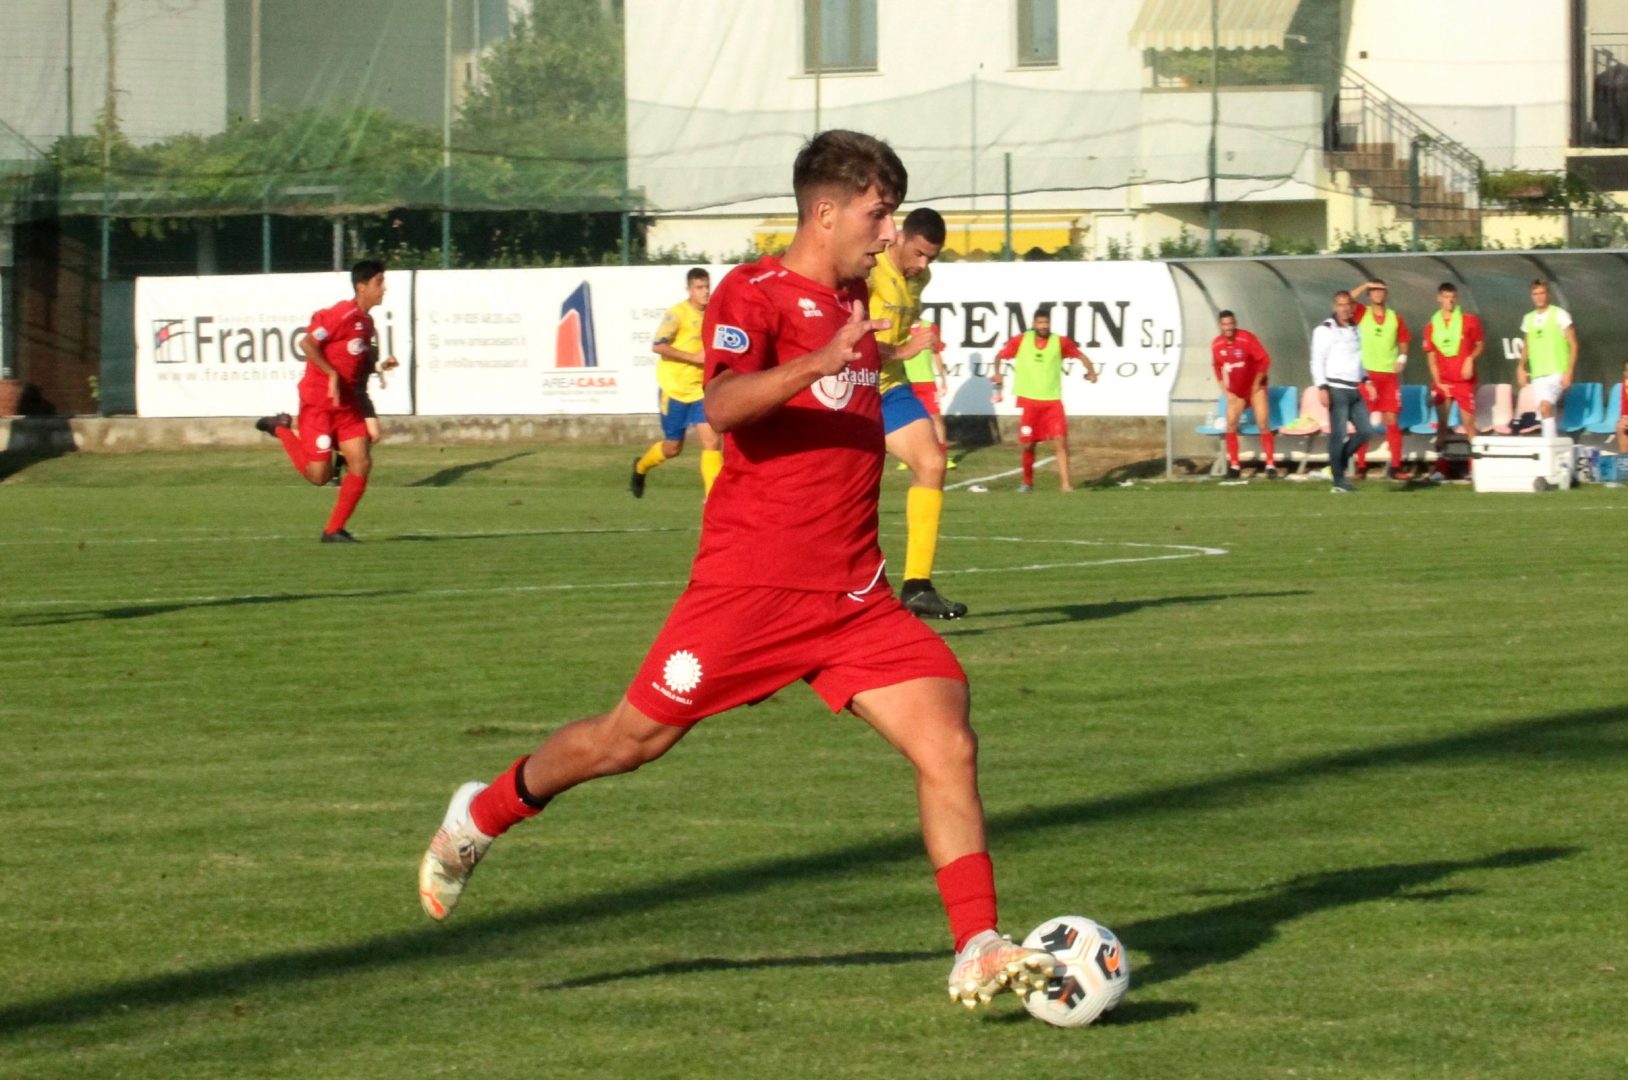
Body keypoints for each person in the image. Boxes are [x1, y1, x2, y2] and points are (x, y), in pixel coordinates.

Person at [416, 130, 1055, 1011]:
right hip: (749, 589)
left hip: (852, 596)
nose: (889, 233)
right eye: (878, 214)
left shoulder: (863, 296)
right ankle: (480, 815)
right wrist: (818, 362)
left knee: (947, 737)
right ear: (825, 211)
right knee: (627, 743)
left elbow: (856, 397)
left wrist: (885, 379)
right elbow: (720, 405)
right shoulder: (751, 292)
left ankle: (976, 944)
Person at [867, 207, 965, 619]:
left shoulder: (919, 278)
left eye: (932, 257)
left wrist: (904, 350)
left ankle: (917, 586)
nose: (924, 265)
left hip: (889, 388)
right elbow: (847, 339)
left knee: (932, 463)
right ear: (901, 238)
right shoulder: (869, 270)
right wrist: (903, 349)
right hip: (848, 391)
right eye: (919, 253)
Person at [254, 259, 391, 542]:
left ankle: (333, 530)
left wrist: (379, 366)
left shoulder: (367, 324)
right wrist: (330, 373)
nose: (384, 288)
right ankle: (280, 428)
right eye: (379, 282)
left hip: (347, 406)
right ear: (361, 286)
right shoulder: (340, 314)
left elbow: (358, 365)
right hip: (319, 404)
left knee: (361, 462)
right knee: (319, 477)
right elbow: (307, 343)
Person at [631, 268, 724, 499]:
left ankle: (712, 500)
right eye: (699, 288)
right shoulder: (677, 314)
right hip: (674, 389)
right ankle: (640, 467)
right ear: (689, 290)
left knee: (712, 442)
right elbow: (658, 345)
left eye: (707, 286)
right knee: (673, 448)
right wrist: (693, 358)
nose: (705, 292)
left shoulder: (714, 313)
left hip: (700, 391)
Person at [990, 307, 1099, 492]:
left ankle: (1066, 485)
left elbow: (1081, 356)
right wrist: (998, 374)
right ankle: (1027, 482)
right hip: (1030, 402)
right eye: (1040, 323)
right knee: (1028, 445)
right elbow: (1000, 356)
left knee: (1060, 441)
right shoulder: (1021, 340)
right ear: (1034, 324)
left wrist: (1091, 372)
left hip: (1052, 402)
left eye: (1046, 322)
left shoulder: (1059, 342)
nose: (1043, 326)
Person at [1310, 290, 1373, 494]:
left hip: (1354, 387)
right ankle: (1338, 482)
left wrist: (1366, 379)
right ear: (1334, 306)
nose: (1345, 309)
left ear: (1352, 306)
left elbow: (1358, 359)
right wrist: (1322, 387)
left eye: (1348, 305)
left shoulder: (1355, 329)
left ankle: (1337, 463)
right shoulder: (1325, 330)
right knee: (1338, 434)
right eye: (1340, 305)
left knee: (1365, 431)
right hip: (1336, 387)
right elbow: (1317, 360)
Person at [1349, 279, 1412, 479]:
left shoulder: (1395, 317)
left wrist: (1402, 358)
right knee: (1363, 420)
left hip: (1388, 376)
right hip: (1367, 375)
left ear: (1386, 294)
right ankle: (1361, 466)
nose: (1378, 294)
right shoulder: (1362, 313)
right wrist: (1364, 285)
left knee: (1391, 419)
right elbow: (1346, 300)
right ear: (1369, 295)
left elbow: (1404, 340)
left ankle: (1396, 467)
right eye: (1374, 290)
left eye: (1381, 290)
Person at [1422, 283, 1484, 482]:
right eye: (1446, 297)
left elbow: (1480, 344)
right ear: (1439, 298)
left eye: (1453, 297)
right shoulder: (1431, 326)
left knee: (1469, 425)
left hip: (1464, 382)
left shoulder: (1469, 321)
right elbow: (1431, 358)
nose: (1450, 301)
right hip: (1444, 382)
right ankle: (1440, 468)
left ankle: (1475, 468)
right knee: (1442, 425)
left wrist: (1470, 359)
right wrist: (1438, 382)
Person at [1209, 310, 1278, 479]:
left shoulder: (1247, 339)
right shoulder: (1217, 345)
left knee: (1263, 423)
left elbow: (1265, 360)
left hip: (1255, 389)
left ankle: (1270, 465)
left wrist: (1256, 383)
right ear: (1220, 326)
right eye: (1225, 324)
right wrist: (1226, 392)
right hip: (1237, 392)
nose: (1228, 328)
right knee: (1230, 424)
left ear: (1235, 323)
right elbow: (1217, 368)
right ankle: (1234, 466)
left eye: (1230, 324)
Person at [1516, 279, 1578, 439]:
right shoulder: (1528, 318)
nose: (1539, 297)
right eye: (1535, 294)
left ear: (1548, 294)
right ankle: (1554, 445)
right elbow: (1527, 345)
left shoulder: (1559, 314)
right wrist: (1521, 367)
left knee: (1545, 408)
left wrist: (1569, 371)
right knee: (1546, 413)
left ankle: (1549, 448)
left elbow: (1573, 344)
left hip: (1557, 372)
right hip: (1538, 374)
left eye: (1542, 293)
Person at [1616, 359, 1628, 455]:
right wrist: (1624, 418)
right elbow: (1624, 407)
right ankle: (1625, 459)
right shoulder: (1625, 385)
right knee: (1620, 427)